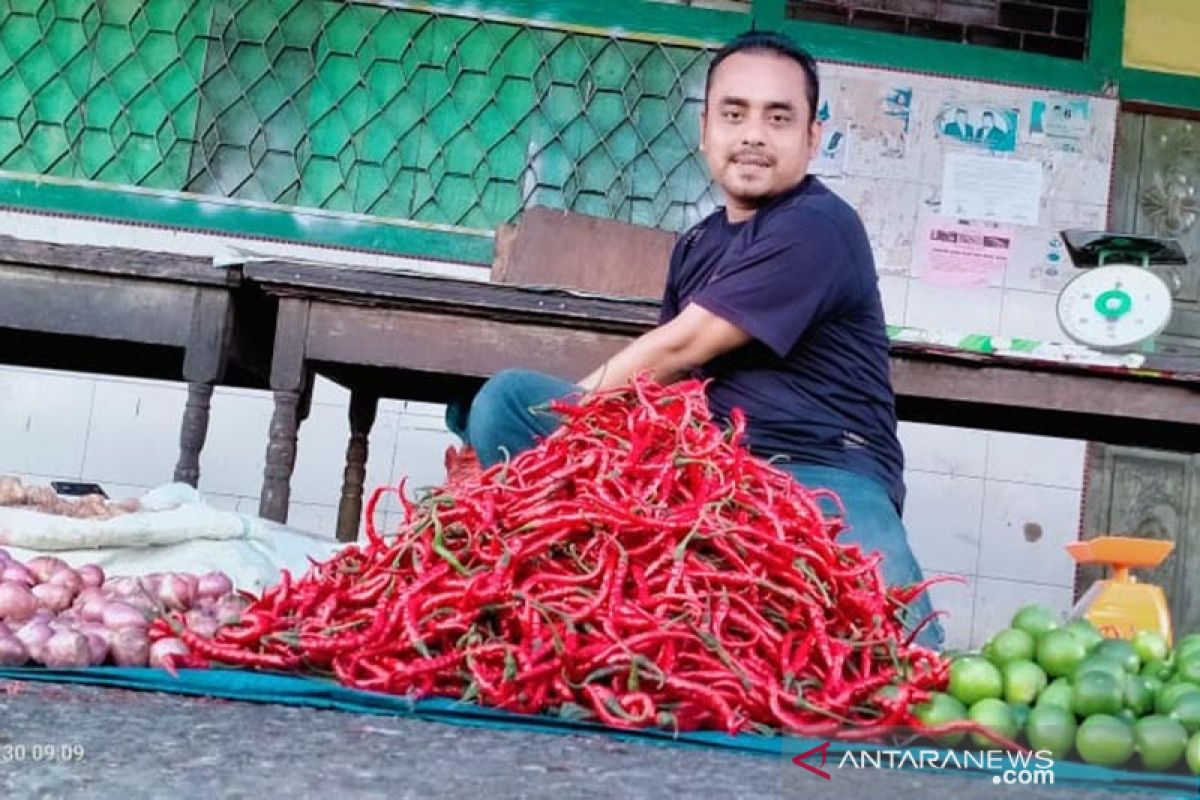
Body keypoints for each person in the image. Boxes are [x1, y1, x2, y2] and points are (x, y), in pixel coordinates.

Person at [446, 30, 944, 651]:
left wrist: (573, 417)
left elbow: (680, 348)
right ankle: (565, 582)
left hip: (822, 469)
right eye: (734, 114)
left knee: (901, 662)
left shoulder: (820, 226)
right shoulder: (698, 244)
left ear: (813, 138)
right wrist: (576, 439)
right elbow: (673, 387)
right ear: (704, 128)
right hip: (710, 469)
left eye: (779, 117)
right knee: (510, 401)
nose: (754, 135)